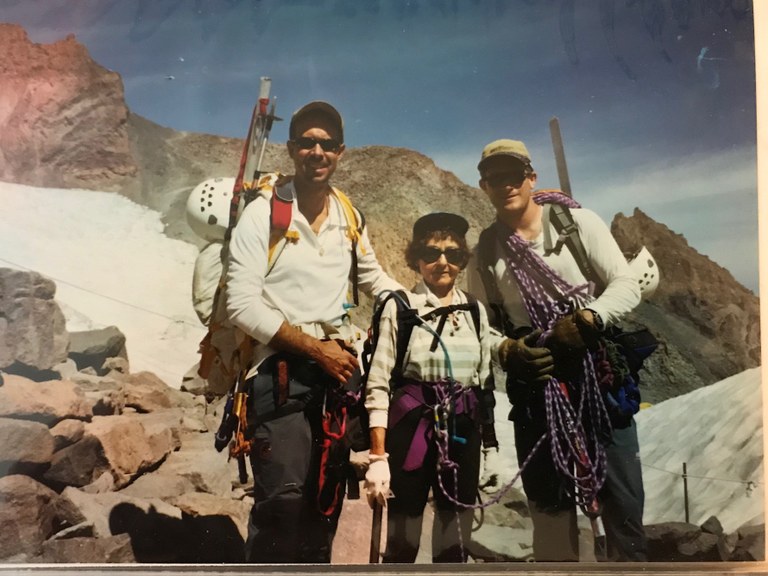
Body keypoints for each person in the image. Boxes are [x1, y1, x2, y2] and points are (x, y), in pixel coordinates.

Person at [225, 101, 401, 563]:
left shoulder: (349, 215)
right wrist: (316, 350)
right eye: (306, 142)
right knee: (282, 506)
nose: (316, 151)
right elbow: (240, 304)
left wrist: (422, 302)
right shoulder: (263, 214)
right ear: (291, 148)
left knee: (324, 504)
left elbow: (374, 278)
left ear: (340, 152)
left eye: (327, 143)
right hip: (280, 373)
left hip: (335, 378)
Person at [467, 139, 646, 562]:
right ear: (484, 186)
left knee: (623, 509)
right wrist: (507, 349)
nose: (506, 185)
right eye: (495, 178)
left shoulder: (578, 224)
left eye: (514, 175)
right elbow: (480, 327)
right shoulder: (485, 254)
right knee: (550, 520)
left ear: (531, 178)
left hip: (598, 380)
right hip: (538, 387)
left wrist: (587, 320)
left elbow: (626, 283)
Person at [363, 212, 498, 563]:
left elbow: (484, 383)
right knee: (403, 536)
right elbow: (378, 383)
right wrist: (378, 458)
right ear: (417, 259)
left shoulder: (475, 310)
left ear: (462, 259)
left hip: (463, 431)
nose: (442, 262)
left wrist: (490, 447)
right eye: (431, 253)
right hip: (411, 430)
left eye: (452, 253)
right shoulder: (400, 307)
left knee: (455, 537)